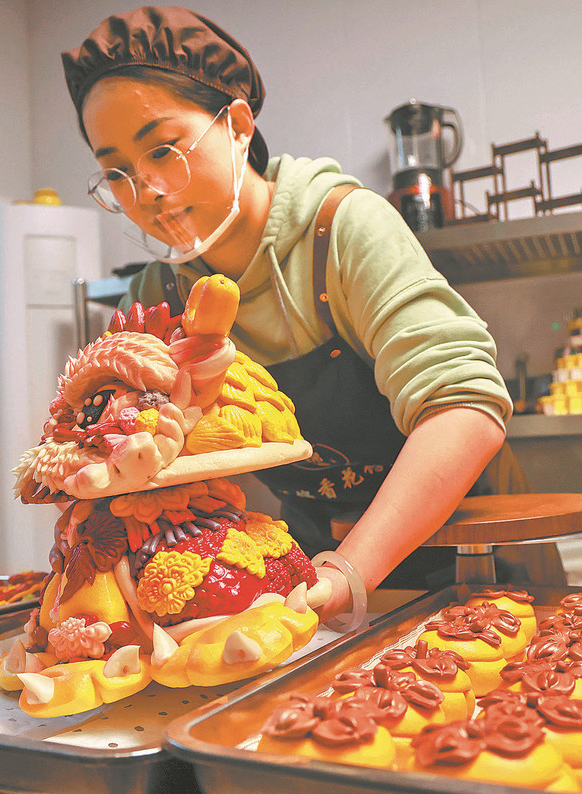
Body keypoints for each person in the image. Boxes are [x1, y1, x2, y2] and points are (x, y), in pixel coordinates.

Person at [61, 6, 531, 623]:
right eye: (116, 172)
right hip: (309, 563)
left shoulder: (341, 229)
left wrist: (348, 571)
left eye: (163, 150)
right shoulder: (158, 297)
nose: (145, 191)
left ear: (238, 125)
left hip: (469, 558)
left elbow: (464, 407)